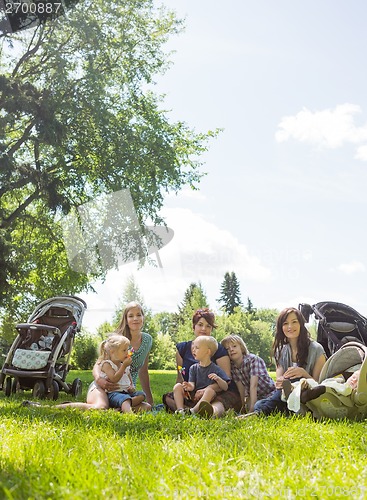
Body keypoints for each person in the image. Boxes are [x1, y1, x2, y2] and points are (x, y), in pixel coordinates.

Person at [238, 307, 326, 418]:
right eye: (285, 323)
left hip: (308, 395)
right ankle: (286, 409)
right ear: (281, 327)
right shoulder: (281, 351)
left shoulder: (317, 349)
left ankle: (258, 414)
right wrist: (281, 381)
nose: (290, 327)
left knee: (294, 380)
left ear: (301, 325)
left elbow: (319, 385)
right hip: (284, 395)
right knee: (259, 404)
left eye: (294, 322)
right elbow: (280, 384)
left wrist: (303, 373)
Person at [162, 308, 242, 415]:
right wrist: (183, 389)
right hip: (194, 392)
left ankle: (211, 412)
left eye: (208, 326)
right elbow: (180, 377)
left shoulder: (217, 349)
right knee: (169, 397)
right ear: (193, 327)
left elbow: (227, 379)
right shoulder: (183, 349)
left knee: (219, 402)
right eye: (200, 324)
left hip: (218, 392)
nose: (204, 328)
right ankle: (189, 410)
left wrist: (207, 389)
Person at [88, 301, 153, 410]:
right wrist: (100, 380)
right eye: (131, 316)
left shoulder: (147, 340)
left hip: (125, 391)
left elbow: (143, 371)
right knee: (101, 407)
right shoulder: (118, 339)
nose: (135, 319)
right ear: (126, 320)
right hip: (106, 387)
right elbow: (99, 364)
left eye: (139, 315)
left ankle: (118, 408)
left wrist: (150, 400)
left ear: (143, 317)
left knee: (146, 407)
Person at [173, 336, 230, 418]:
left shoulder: (216, 369)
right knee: (177, 386)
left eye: (197, 348)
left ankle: (193, 411)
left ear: (208, 352)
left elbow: (225, 387)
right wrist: (189, 386)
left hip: (209, 398)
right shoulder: (193, 368)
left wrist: (218, 379)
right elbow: (192, 384)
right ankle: (180, 410)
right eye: (193, 347)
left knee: (210, 390)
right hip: (195, 395)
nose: (193, 350)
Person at [221, 334, 276, 413]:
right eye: (227, 349)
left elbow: (253, 385)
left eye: (234, 346)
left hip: (269, 391)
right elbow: (241, 388)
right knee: (248, 406)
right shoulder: (233, 367)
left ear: (242, 348)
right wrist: (243, 406)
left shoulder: (253, 360)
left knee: (259, 406)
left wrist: (251, 409)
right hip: (255, 395)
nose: (231, 350)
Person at [95, 334, 147, 413]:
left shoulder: (124, 366)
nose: (127, 352)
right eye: (124, 350)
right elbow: (114, 379)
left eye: (128, 349)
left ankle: (120, 410)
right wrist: (124, 366)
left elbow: (130, 381)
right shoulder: (107, 364)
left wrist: (132, 387)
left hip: (126, 394)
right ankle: (130, 415)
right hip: (114, 394)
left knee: (143, 397)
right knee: (125, 400)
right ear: (113, 352)